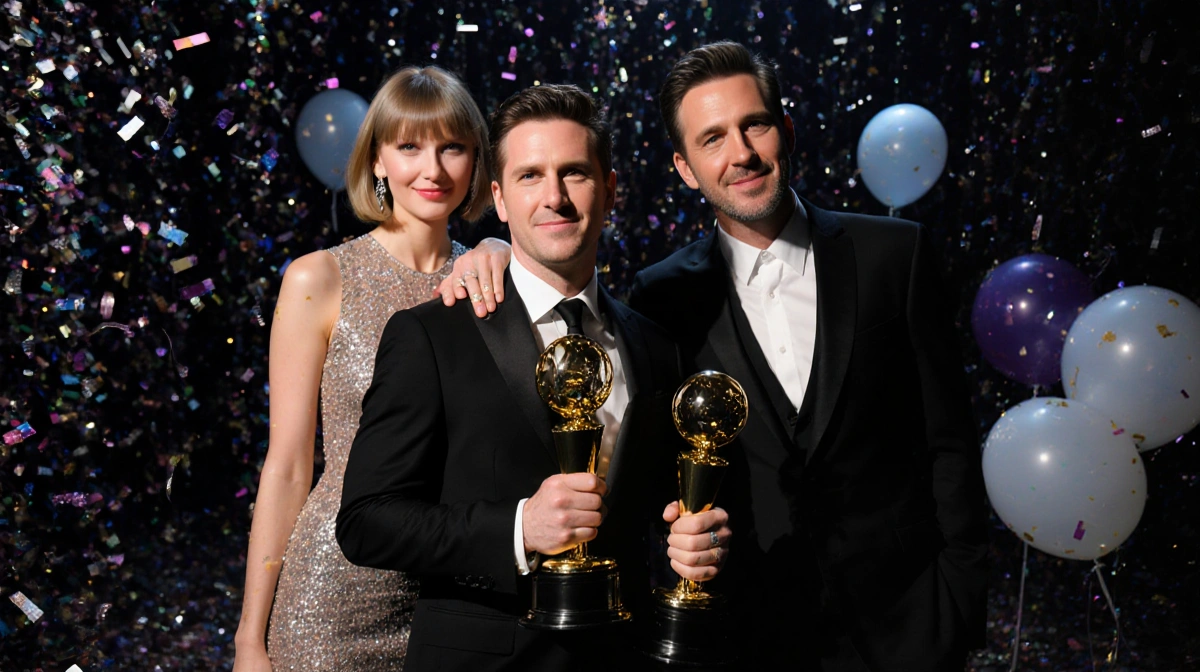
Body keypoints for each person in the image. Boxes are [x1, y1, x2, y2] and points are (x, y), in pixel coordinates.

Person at [336, 83, 731, 672]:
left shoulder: (654, 345)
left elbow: (654, 511)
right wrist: (521, 526)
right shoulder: (431, 335)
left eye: (574, 173)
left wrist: (695, 539)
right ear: (498, 197)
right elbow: (367, 522)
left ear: (610, 189)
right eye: (529, 176)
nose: (555, 197)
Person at [626, 42, 990, 671]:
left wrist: (956, 604)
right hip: (752, 635)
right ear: (685, 168)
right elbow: (659, 475)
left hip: (909, 627)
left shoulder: (893, 255)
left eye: (754, 125)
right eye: (712, 139)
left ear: (786, 130)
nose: (740, 153)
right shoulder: (661, 296)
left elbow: (949, 442)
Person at [232, 65, 508, 671]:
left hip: (453, 594)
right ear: (378, 160)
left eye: (452, 147)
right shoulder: (321, 278)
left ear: (476, 161)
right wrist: (250, 636)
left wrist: (501, 247)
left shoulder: (493, 279)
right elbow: (288, 466)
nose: (432, 170)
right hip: (333, 593)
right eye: (409, 146)